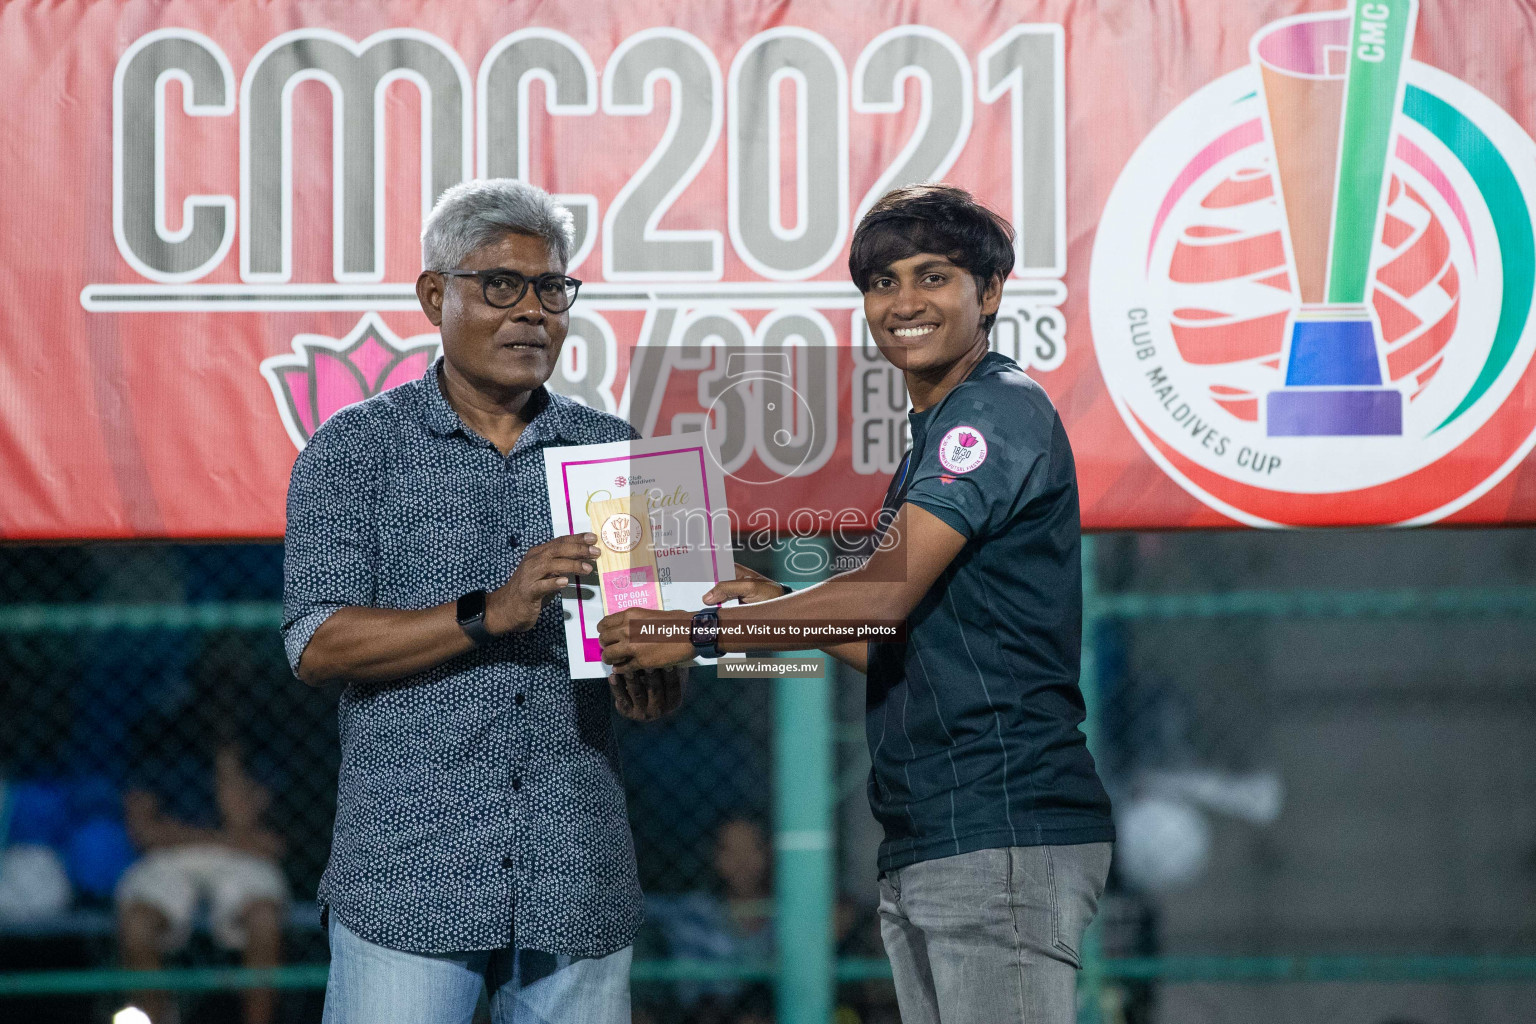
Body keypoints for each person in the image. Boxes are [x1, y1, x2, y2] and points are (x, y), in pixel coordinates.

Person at [600, 184, 1115, 1024]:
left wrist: (694, 630)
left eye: (933, 276)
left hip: (1001, 827)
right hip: (939, 834)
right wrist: (776, 602)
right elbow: (893, 640)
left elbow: (877, 601)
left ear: (990, 293)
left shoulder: (991, 412)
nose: (904, 302)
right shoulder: (943, 425)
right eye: (882, 283)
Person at [282, 178, 683, 1024]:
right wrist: (487, 612)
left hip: (575, 878)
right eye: (500, 285)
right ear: (435, 295)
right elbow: (317, 643)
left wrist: (657, 672)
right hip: (408, 882)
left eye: (551, 289)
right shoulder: (353, 449)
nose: (531, 311)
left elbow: (650, 677)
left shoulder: (613, 453)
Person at [116, 739, 288, 1024]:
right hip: (174, 857)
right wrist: (228, 839)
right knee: (136, 924)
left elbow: (267, 840)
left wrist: (227, 762)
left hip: (237, 858)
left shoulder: (261, 743)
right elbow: (144, 833)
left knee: (264, 919)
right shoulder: (156, 742)